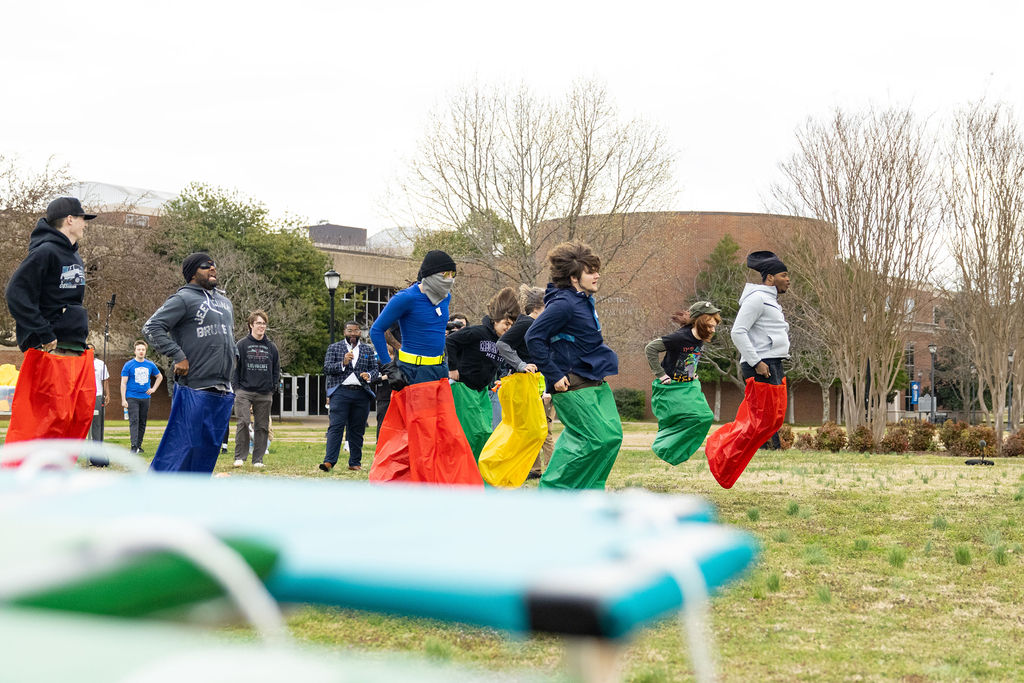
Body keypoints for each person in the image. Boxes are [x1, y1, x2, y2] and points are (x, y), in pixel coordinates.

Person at [368, 250, 482, 485]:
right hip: (413, 374)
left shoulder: (445, 298)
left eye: (453, 274)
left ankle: (444, 482)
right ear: (430, 274)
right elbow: (376, 330)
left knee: (445, 432)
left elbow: (434, 329)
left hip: (438, 373)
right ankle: (418, 486)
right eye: (445, 273)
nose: (450, 279)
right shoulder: (405, 298)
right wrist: (389, 367)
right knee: (420, 435)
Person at [525, 241, 622, 490]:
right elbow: (533, 337)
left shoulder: (582, 301)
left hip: (594, 381)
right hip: (573, 385)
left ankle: (588, 495)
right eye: (590, 271)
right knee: (597, 439)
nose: (596, 275)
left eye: (596, 269)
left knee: (611, 438)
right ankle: (553, 492)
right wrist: (554, 374)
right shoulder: (563, 304)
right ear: (574, 278)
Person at [4, 197, 97, 447]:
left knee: (72, 418)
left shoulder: (74, 255)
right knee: (48, 419)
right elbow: (16, 293)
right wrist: (44, 333)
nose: (85, 224)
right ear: (69, 219)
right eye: (82, 219)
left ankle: (57, 476)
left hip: (73, 346)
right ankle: (29, 477)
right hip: (51, 349)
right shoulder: (45, 251)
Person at [142, 252, 236, 474]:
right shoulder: (183, 298)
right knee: (182, 445)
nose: (213, 269)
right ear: (193, 273)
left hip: (222, 386)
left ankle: (193, 495)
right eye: (206, 266)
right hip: (194, 385)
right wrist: (178, 355)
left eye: (214, 265)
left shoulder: (225, 302)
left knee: (208, 448)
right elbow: (151, 327)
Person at [704, 251, 790, 488]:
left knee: (773, 421)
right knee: (758, 422)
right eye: (784, 275)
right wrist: (756, 362)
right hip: (762, 366)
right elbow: (737, 332)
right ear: (770, 278)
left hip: (775, 363)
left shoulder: (770, 300)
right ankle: (717, 448)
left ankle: (725, 461)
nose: (788, 279)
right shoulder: (757, 299)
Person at [445, 287, 519, 460]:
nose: (508, 328)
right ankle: (462, 474)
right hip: (464, 388)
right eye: (506, 324)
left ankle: (479, 475)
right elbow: (451, 341)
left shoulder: (502, 342)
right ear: (495, 320)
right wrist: (453, 368)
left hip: (483, 391)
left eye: (512, 325)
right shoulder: (477, 332)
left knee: (486, 433)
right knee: (471, 434)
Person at [644, 301, 721, 465]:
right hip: (673, 386)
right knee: (690, 418)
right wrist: (660, 374)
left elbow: (689, 357)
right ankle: (664, 448)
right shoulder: (679, 337)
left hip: (689, 384)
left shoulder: (700, 338)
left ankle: (676, 454)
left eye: (714, 326)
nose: (713, 331)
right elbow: (650, 348)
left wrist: (692, 373)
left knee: (705, 417)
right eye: (710, 326)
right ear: (699, 323)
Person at [496, 284, 551, 479]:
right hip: (523, 383)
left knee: (538, 429)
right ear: (538, 307)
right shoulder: (526, 323)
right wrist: (521, 364)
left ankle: (525, 470)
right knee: (533, 429)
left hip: (536, 382)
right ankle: (503, 467)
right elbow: (502, 344)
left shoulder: (537, 325)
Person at [320, 320, 378, 472]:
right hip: (340, 392)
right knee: (336, 427)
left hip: (361, 393)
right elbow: (327, 368)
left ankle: (355, 462)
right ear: (344, 332)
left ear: (360, 333)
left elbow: (375, 369)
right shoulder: (334, 348)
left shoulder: (368, 349)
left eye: (356, 331)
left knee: (357, 429)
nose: (353, 334)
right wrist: (343, 363)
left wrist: (369, 375)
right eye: (350, 331)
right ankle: (329, 461)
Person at [233, 310, 280, 468]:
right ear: (251, 325)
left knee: (262, 426)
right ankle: (240, 457)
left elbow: (276, 370)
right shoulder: (241, 345)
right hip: (244, 391)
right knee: (243, 422)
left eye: (264, 323)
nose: (262, 326)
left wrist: (272, 388)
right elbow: (235, 369)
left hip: (264, 393)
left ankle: (258, 459)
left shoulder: (271, 347)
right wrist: (237, 389)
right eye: (259, 323)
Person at [120, 339, 163, 454]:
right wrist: (123, 399)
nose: (141, 351)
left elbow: (160, 377)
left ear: (145, 351)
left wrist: (153, 389)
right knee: (134, 421)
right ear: (135, 351)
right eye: (139, 349)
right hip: (131, 397)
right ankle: (134, 446)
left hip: (145, 398)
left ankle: (139, 445)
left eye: (143, 349)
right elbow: (123, 383)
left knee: (142, 422)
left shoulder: (150, 364)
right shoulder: (128, 365)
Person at [89, 343, 110, 442]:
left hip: (97, 395)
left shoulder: (100, 364)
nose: (89, 350)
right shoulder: (80, 362)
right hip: (84, 396)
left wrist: (107, 394)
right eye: (87, 349)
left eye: (91, 349)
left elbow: (105, 380)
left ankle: (97, 444)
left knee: (98, 421)